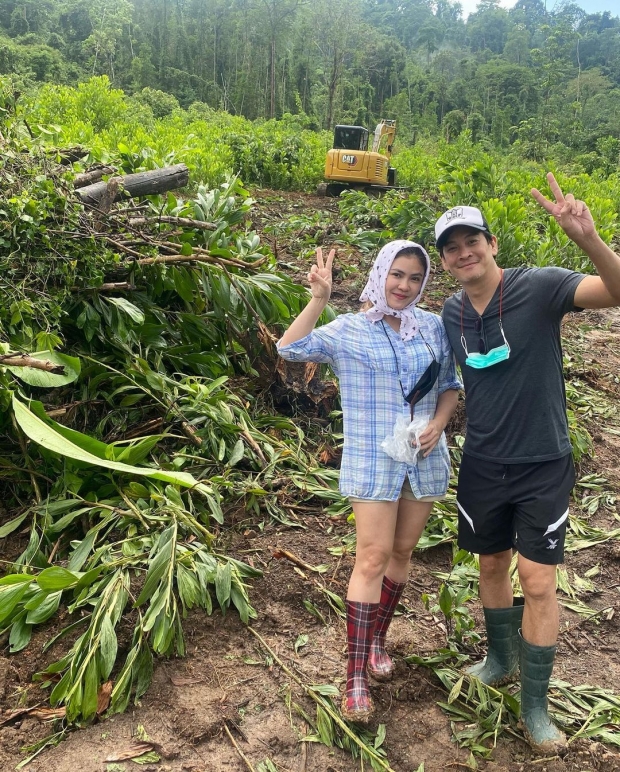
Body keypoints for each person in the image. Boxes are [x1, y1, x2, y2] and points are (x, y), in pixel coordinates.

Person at [435, 173, 620, 754]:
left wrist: (590, 240)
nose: (465, 253)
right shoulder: (450, 312)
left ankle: (535, 706)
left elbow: (615, 292)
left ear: (491, 244)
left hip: (542, 460)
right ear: (445, 261)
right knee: (491, 564)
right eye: (452, 247)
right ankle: (499, 658)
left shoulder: (539, 286)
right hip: (484, 461)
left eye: (473, 241)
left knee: (538, 581)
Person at [278, 241, 461, 722]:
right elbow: (290, 348)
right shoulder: (349, 330)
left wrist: (439, 424)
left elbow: (450, 387)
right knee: (372, 557)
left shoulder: (433, 328)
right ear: (380, 273)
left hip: (422, 457)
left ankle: (377, 639)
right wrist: (319, 298)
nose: (404, 286)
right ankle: (354, 676)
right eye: (396, 275)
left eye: (415, 279)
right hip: (372, 460)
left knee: (401, 554)